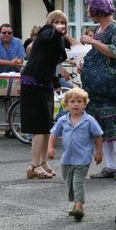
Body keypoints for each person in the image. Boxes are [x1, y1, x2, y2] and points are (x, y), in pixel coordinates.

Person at [80, 0, 116, 179]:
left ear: (99, 9)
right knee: (100, 125)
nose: (88, 12)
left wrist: (92, 41)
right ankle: (110, 166)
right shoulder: (98, 28)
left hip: (109, 86)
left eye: (90, 8)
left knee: (113, 122)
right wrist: (85, 63)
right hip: (94, 89)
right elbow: (98, 54)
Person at [21, 11, 70, 180]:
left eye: (62, 22)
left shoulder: (57, 40)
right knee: (39, 127)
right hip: (33, 83)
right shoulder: (46, 32)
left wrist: (56, 83)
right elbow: (49, 34)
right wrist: (55, 29)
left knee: (47, 125)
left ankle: (41, 163)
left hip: (44, 83)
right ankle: (33, 165)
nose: (59, 24)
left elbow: (50, 64)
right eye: (56, 21)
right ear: (50, 22)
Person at [47, 88, 103, 220]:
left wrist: (99, 152)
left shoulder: (89, 120)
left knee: (78, 182)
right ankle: (77, 203)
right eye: (72, 101)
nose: (76, 104)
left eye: (79, 101)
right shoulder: (63, 120)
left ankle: (79, 207)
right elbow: (54, 134)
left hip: (83, 158)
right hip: (67, 158)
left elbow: (98, 136)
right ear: (66, 104)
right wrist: (50, 147)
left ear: (85, 104)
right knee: (69, 182)